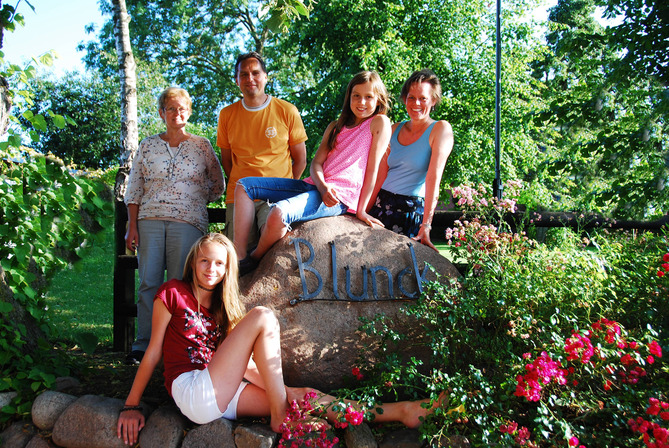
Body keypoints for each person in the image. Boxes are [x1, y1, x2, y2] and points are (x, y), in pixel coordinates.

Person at [116, 233, 443, 446]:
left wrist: (286, 393)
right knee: (262, 316)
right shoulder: (173, 293)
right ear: (193, 262)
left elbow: (243, 367)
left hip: (219, 388)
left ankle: (400, 412)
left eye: (220, 263)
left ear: (227, 267)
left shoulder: (223, 307)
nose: (211, 268)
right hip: (191, 388)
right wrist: (131, 405)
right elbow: (153, 353)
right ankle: (279, 415)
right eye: (204, 260)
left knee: (305, 395)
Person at [233, 71, 392, 275]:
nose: (362, 102)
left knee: (279, 213)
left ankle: (254, 259)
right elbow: (316, 164)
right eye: (356, 95)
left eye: (369, 96)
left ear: (378, 98)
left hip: (338, 196)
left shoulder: (379, 122)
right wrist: (323, 186)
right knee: (244, 186)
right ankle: (238, 254)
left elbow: (372, 168)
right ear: (349, 97)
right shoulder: (335, 127)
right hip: (315, 185)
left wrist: (361, 210)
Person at [124, 87, 225, 365]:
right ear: (161, 113)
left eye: (182, 108)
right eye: (170, 108)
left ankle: (180, 345)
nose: (176, 113)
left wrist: (189, 198)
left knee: (183, 284)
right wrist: (131, 226)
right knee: (149, 283)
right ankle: (143, 347)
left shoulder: (201, 145)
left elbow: (218, 185)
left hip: (189, 222)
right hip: (149, 220)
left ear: (189, 112)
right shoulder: (147, 145)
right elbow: (135, 188)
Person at [217, 51, 308, 253]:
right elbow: (227, 162)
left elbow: (301, 159)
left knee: (274, 256)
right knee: (239, 261)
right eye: (244, 74)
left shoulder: (287, 110)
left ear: (265, 77)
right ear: (237, 80)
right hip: (239, 198)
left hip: (275, 198)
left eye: (255, 73)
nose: (250, 79)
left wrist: (282, 188)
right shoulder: (227, 115)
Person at [369, 69, 454, 251]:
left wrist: (426, 226)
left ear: (433, 100)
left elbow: (434, 179)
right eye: (411, 97)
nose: (416, 103)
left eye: (423, 98)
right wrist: (363, 211)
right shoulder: (393, 129)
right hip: (380, 205)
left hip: (409, 211)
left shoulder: (440, 129)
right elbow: (379, 175)